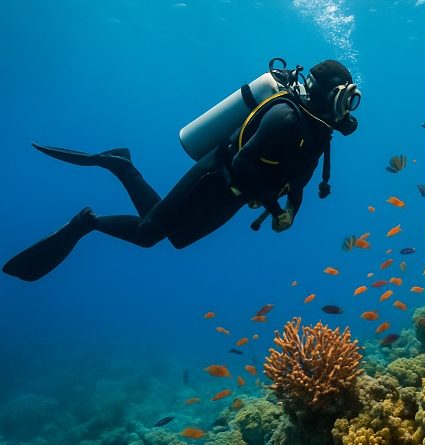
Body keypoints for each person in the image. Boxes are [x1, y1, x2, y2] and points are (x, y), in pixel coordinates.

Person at [3, 59, 360, 282]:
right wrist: (274, 209)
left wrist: (292, 212)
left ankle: (124, 165)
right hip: (214, 177)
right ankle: (88, 221)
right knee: (147, 234)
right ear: (327, 94)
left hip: (236, 199)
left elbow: (300, 179)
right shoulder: (285, 116)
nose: (347, 110)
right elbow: (242, 162)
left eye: (351, 102)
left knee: (173, 238)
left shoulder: (318, 135)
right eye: (345, 99)